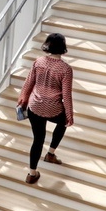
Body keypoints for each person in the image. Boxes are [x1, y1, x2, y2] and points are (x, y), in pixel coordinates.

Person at [16, 32, 75, 185]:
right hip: (53, 108)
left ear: (47, 45)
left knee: (37, 140)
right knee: (63, 123)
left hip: (34, 107)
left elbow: (28, 83)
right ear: (63, 48)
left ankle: (31, 174)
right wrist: (69, 114)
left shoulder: (38, 62)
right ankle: (50, 154)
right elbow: (66, 95)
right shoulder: (65, 69)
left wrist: (23, 100)